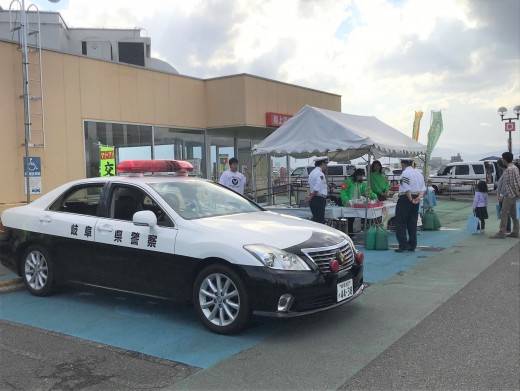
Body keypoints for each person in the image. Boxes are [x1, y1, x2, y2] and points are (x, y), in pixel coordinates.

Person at [394, 158, 426, 252]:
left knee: (400, 222)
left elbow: (406, 188)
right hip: (416, 197)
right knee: (412, 222)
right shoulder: (419, 174)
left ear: (403, 164)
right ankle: (412, 245)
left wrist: (411, 199)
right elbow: (423, 188)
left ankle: (403, 245)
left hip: (406, 198)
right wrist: (418, 198)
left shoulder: (405, 173)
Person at [490, 152, 520, 239]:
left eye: (502, 158)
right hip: (513, 195)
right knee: (513, 214)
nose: (502, 160)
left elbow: (512, 184)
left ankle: (501, 232)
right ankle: (515, 231)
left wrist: (504, 195)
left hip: (509, 195)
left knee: (503, 213)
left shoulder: (509, 170)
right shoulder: (514, 168)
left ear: (505, 159)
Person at [340, 168, 377, 236]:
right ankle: (349, 234)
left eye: (362, 176)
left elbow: (368, 190)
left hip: (356, 203)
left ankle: (351, 233)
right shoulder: (347, 181)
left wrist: (375, 196)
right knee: (350, 219)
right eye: (360, 176)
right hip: (349, 203)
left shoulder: (361, 183)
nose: (361, 177)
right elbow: (343, 191)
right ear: (356, 175)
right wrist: (346, 200)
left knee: (353, 218)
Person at [304, 156, 329, 224]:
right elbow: (317, 187)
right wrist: (310, 197)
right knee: (320, 220)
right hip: (319, 198)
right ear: (322, 163)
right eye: (326, 164)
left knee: (315, 219)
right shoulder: (320, 174)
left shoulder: (312, 173)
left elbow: (308, 186)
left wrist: (309, 196)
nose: (326, 166)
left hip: (313, 198)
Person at [495, 158, 512, 233]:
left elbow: (504, 185)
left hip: (504, 196)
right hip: (504, 196)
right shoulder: (504, 172)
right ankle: (507, 228)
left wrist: (501, 195)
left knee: (504, 213)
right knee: (505, 212)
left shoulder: (505, 173)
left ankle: (506, 228)